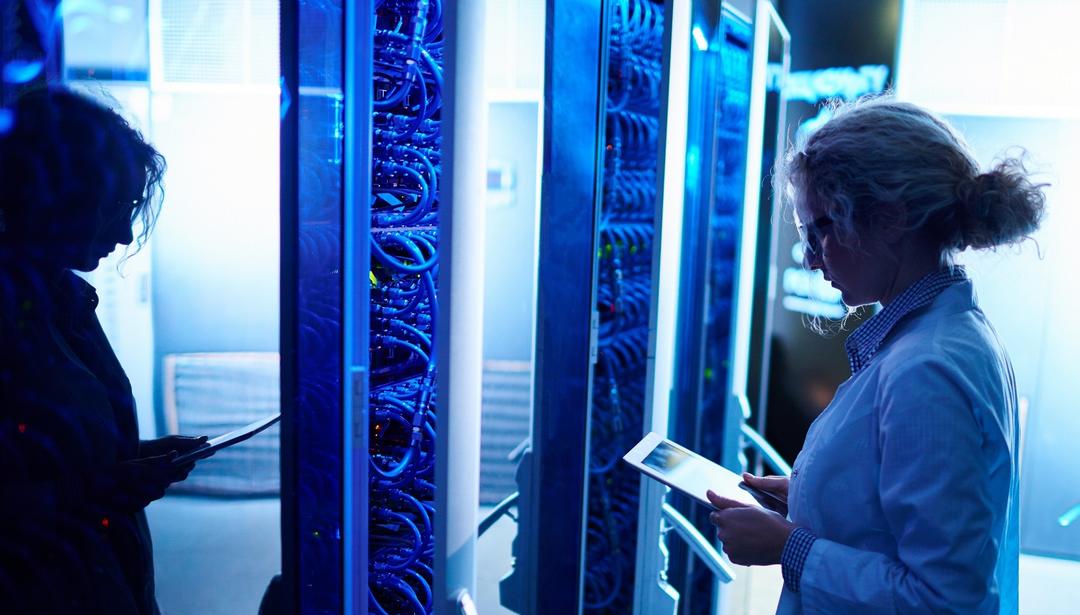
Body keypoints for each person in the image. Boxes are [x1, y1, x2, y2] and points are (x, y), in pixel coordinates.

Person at [706, 95, 1044, 614]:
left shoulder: (928, 370)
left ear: (891, 218)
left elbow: (943, 600)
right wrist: (809, 495)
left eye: (821, 227)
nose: (810, 255)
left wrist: (787, 546)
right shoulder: (943, 339)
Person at [0, 86, 206, 614]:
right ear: (53, 192)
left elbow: (47, 459)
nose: (125, 231)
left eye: (132, 207)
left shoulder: (65, 299)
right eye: (115, 205)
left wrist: (134, 459)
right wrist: (105, 491)